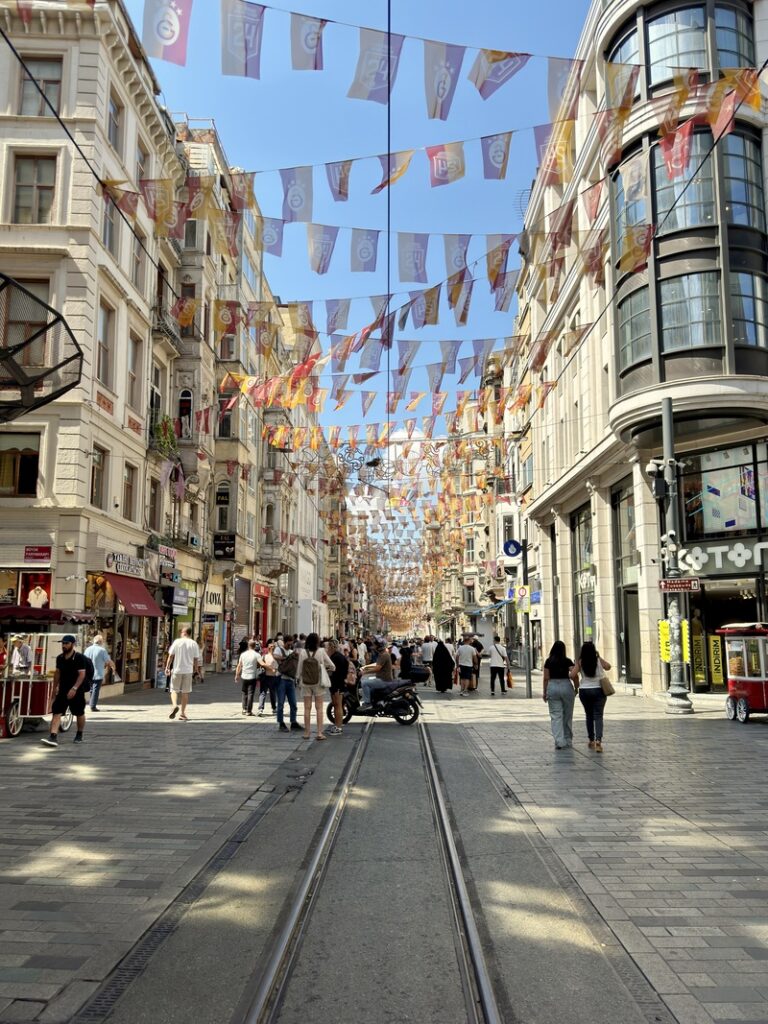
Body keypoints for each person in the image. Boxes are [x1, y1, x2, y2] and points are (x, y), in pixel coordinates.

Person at [40, 635, 88, 747]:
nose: (64, 645)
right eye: (63, 643)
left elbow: (82, 674)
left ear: (72, 644)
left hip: (76, 690)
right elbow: (57, 673)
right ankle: (53, 736)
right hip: (62, 689)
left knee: (79, 713)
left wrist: (74, 688)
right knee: (57, 712)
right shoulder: (60, 658)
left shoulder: (79, 658)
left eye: (66, 643)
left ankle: (79, 734)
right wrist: (54, 688)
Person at [571, 642, 611, 752]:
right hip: (599, 690)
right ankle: (598, 741)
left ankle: (591, 740)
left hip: (585, 691)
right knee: (598, 715)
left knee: (589, 715)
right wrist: (599, 657)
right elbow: (608, 666)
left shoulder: (580, 662)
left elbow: (572, 675)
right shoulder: (598, 660)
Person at [296, 632, 334, 740]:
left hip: (305, 682)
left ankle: (307, 733)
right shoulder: (321, 651)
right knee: (319, 708)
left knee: (307, 708)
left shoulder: (303, 652)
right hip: (318, 682)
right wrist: (324, 667)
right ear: (318, 641)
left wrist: (298, 678)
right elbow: (332, 666)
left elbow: (299, 668)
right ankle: (319, 733)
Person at [543, 640, 576, 750]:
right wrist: (577, 687)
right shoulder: (567, 661)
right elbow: (574, 674)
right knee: (567, 714)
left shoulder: (548, 661)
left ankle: (559, 741)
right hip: (566, 685)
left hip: (552, 686)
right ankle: (568, 739)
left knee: (556, 715)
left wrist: (544, 692)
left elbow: (546, 678)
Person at [164, 626, 201, 722]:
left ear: (184, 633)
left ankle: (175, 705)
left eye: (181, 632)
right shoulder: (194, 644)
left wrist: (167, 667)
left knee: (174, 690)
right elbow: (196, 659)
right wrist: (196, 670)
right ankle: (182, 714)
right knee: (185, 692)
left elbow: (171, 656)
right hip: (188, 671)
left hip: (177, 670)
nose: (180, 633)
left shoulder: (177, 642)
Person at [273, 634, 302, 733]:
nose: (290, 646)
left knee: (293, 703)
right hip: (281, 679)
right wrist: (287, 658)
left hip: (290, 680)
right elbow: (275, 656)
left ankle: (293, 722)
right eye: (288, 644)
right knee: (280, 703)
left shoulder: (291, 651)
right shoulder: (279, 649)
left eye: (291, 644)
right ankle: (281, 723)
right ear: (284, 642)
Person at [84, 634, 115, 712]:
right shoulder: (102, 650)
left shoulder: (87, 649)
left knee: (92, 689)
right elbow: (109, 661)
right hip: (98, 673)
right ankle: (92, 706)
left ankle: (91, 704)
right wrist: (113, 668)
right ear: (101, 642)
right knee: (95, 690)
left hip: (89, 673)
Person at [326, 638, 349, 736]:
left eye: (328, 647)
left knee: (338, 705)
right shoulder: (339, 656)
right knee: (336, 705)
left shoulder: (336, 657)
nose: (327, 649)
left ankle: (338, 727)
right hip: (338, 684)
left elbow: (334, 672)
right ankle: (337, 725)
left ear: (332, 647)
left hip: (337, 685)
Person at [360, 641, 394, 707]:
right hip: (382, 679)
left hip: (383, 680)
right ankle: (375, 702)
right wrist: (365, 667)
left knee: (364, 683)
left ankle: (367, 703)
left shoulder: (383, 655)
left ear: (379, 647)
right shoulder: (383, 654)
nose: (373, 648)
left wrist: (364, 672)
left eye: (375, 646)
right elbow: (377, 665)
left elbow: (377, 668)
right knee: (368, 681)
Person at [236, 639, 264, 716]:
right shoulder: (257, 654)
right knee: (250, 694)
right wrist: (269, 666)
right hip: (252, 676)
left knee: (244, 693)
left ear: (248, 646)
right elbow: (261, 663)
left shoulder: (243, 654)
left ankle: (244, 709)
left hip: (244, 676)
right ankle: (249, 711)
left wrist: (237, 675)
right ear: (255, 646)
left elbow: (239, 665)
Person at [257, 640, 279, 716]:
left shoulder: (264, 656)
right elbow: (277, 669)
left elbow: (261, 665)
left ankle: (260, 709)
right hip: (273, 678)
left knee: (263, 693)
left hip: (264, 677)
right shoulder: (276, 658)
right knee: (273, 693)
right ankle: (274, 709)